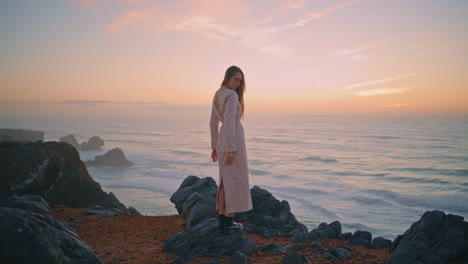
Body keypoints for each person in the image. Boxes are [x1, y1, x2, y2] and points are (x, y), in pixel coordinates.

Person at [210, 65, 253, 233]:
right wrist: (230, 149)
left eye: (240, 81)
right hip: (233, 141)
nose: (237, 84)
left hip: (223, 140)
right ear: (227, 76)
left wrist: (215, 146)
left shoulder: (217, 94)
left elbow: (213, 123)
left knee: (223, 181)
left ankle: (222, 220)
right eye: (236, 79)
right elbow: (228, 123)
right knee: (233, 180)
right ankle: (229, 220)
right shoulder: (231, 95)